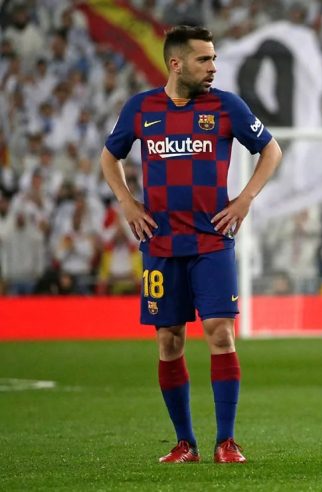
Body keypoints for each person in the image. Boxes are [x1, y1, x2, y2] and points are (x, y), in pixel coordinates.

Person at [99, 25, 282, 464]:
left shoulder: (226, 106)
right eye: (205, 59)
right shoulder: (142, 108)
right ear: (176, 64)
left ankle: (226, 442)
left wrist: (244, 199)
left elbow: (271, 150)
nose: (213, 67)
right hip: (160, 243)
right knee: (169, 341)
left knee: (220, 332)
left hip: (212, 241)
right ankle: (185, 443)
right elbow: (110, 156)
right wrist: (128, 203)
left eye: (214, 58)